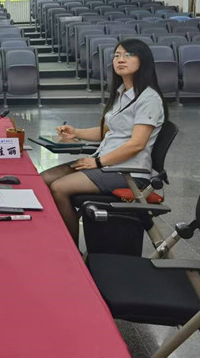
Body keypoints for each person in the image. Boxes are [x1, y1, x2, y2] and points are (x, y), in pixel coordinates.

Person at [40, 39, 167, 244]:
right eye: (117, 56)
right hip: (107, 163)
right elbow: (107, 132)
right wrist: (76, 132)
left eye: (128, 55)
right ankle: (56, 237)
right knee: (43, 179)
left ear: (143, 61)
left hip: (127, 172)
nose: (120, 60)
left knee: (59, 187)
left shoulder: (148, 99)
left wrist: (98, 162)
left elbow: (137, 144)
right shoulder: (122, 93)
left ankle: (70, 250)